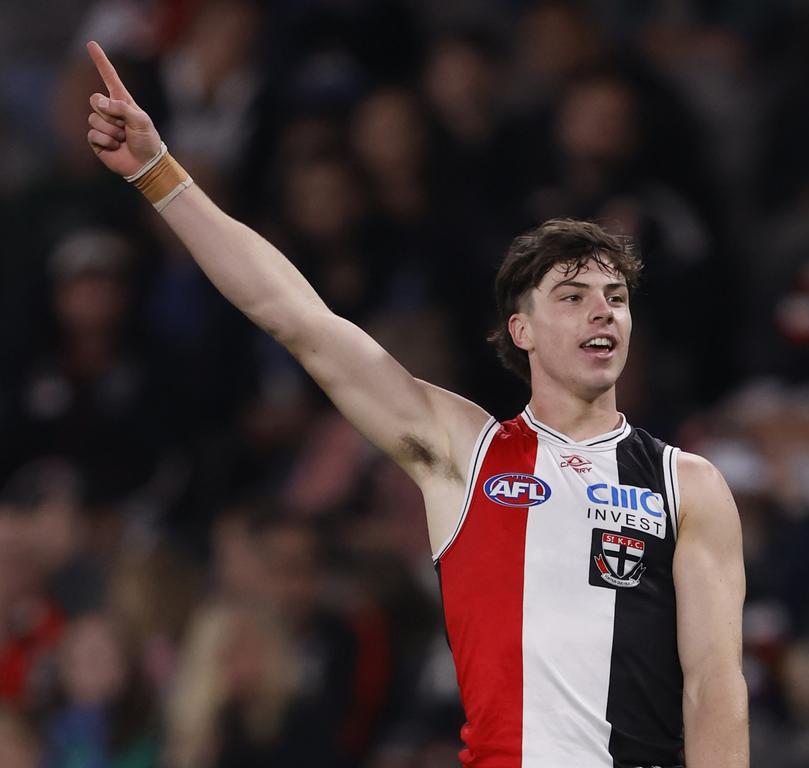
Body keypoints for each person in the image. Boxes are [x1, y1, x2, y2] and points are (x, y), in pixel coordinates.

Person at [83, 40, 748, 768]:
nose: (603, 314)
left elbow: (713, 690)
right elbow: (295, 316)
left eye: (615, 299)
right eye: (573, 297)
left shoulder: (690, 485)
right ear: (520, 330)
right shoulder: (465, 450)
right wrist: (159, 174)